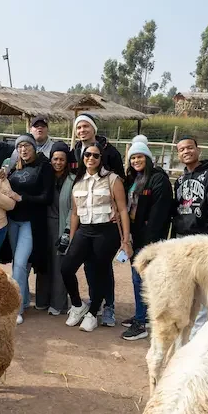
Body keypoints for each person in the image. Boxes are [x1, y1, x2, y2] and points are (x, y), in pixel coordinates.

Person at [61, 142, 131, 332]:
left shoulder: (112, 179)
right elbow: (75, 213)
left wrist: (125, 239)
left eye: (95, 155)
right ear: (82, 158)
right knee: (66, 267)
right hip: (84, 230)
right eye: (87, 155)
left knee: (99, 272)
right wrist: (73, 238)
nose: (91, 158)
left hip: (105, 231)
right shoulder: (78, 181)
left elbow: (123, 209)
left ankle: (93, 312)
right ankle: (77, 305)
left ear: (101, 158)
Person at [71, 112, 125, 327]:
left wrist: (118, 213)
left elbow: (121, 180)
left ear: (93, 129)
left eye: (86, 126)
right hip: (84, 212)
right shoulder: (75, 151)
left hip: (106, 218)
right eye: (79, 127)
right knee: (88, 265)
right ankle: (93, 304)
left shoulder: (109, 151)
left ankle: (107, 306)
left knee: (103, 266)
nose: (82, 130)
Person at [172, 135, 208, 338]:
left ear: (198, 149)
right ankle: (185, 329)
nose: (186, 152)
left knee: (204, 287)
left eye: (189, 148)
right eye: (181, 150)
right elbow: (176, 211)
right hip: (182, 239)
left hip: (203, 240)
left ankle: (200, 334)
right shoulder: (180, 180)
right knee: (186, 287)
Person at [120, 135, 172, 341]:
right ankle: (144, 315)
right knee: (139, 278)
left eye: (140, 157)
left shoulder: (158, 179)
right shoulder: (133, 179)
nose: (136, 161)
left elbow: (159, 214)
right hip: (135, 234)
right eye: (133, 158)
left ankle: (142, 323)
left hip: (150, 239)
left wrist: (148, 243)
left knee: (140, 277)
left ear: (148, 158)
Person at [6, 133, 54, 325]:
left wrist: (23, 198)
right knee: (19, 265)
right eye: (20, 147)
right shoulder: (13, 167)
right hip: (13, 221)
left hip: (30, 222)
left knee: (19, 263)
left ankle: (15, 308)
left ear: (35, 148)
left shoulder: (44, 167)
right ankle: (24, 300)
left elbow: (47, 197)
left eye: (27, 146)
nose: (23, 150)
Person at [39, 141, 73, 315]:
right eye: (55, 159)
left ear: (66, 161)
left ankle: (58, 303)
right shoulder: (45, 177)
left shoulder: (72, 180)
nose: (58, 162)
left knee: (59, 264)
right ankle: (42, 300)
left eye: (61, 159)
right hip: (44, 224)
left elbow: (74, 208)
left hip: (61, 224)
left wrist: (68, 229)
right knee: (44, 263)